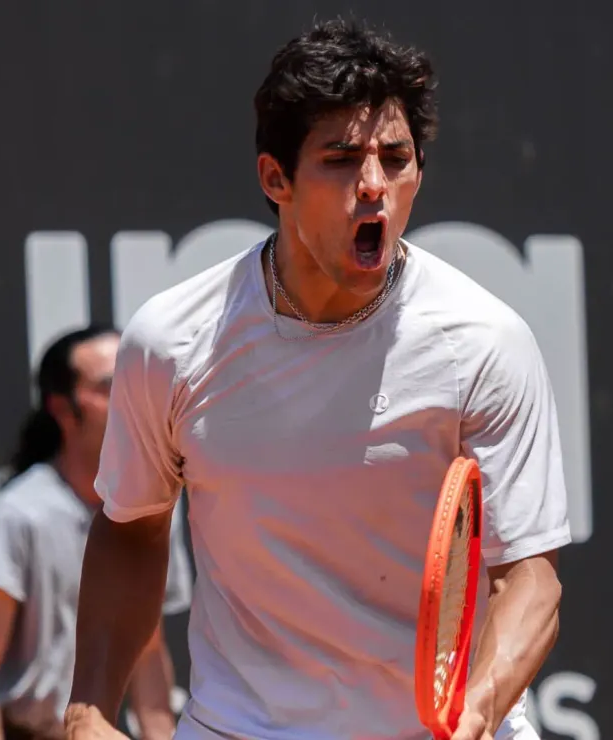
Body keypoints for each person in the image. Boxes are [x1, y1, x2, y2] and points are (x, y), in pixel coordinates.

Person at [66, 18, 569, 740]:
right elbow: (132, 530)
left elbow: (530, 577)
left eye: (395, 159)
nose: (374, 186)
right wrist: (88, 711)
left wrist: (478, 710)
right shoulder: (172, 342)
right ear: (277, 179)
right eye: (341, 159)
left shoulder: (484, 343)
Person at [0, 325, 193, 740]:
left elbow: (148, 654)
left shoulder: (153, 505)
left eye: (134, 380)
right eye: (109, 385)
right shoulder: (19, 515)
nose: (128, 397)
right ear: (62, 409)